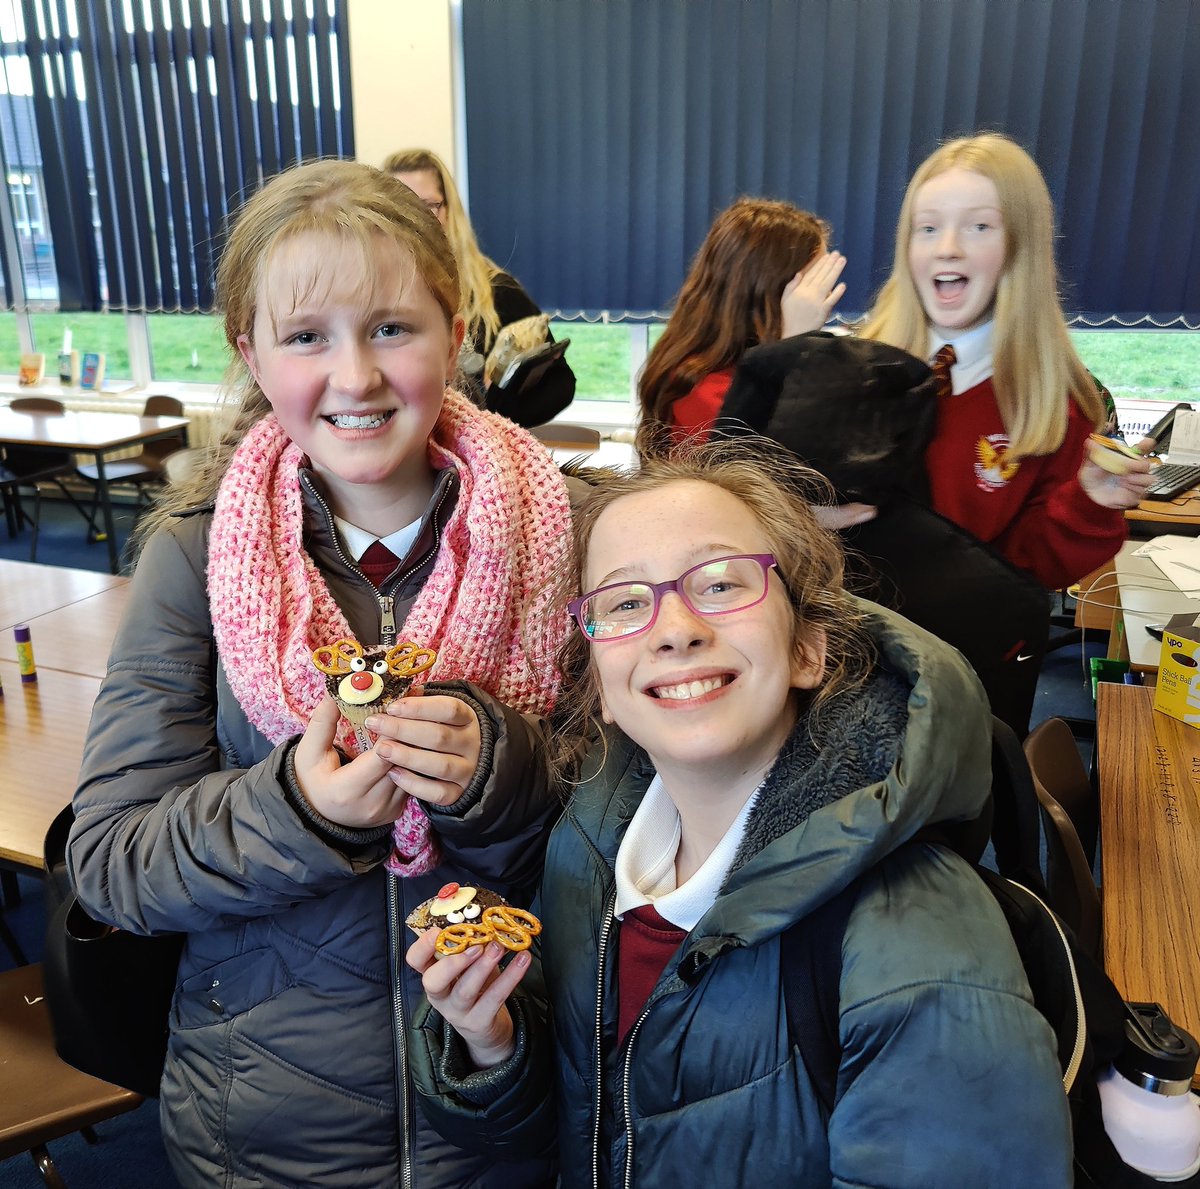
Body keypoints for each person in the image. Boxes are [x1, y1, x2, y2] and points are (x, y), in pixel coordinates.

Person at [67, 160, 570, 1187]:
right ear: (251, 354)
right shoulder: (194, 556)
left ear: (455, 334)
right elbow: (113, 862)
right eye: (306, 336)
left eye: (391, 327)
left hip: (506, 1096)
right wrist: (298, 810)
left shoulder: (564, 534)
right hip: (263, 1129)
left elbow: (633, 827)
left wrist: (498, 771)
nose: (355, 376)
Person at [406, 441, 1074, 1186]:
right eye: (624, 603)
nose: (674, 628)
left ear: (809, 648)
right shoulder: (590, 857)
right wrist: (492, 1041)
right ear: (600, 687)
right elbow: (590, 1125)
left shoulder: (918, 939)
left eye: (721, 583)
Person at [860, 131, 1153, 590]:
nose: (947, 247)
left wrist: (1088, 504)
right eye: (928, 228)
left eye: (979, 227)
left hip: (961, 631)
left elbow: (1029, 569)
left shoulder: (1054, 406)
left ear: (1021, 247)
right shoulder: (852, 371)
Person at [383, 147, 575, 428]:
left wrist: (498, 411)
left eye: (427, 207)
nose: (414, 220)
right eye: (400, 208)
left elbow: (560, 385)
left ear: (449, 211)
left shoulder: (498, 292)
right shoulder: (371, 298)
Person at [635, 196, 846, 451]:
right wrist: (792, 346)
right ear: (769, 287)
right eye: (816, 280)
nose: (824, 295)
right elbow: (768, 464)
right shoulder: (705, 388)